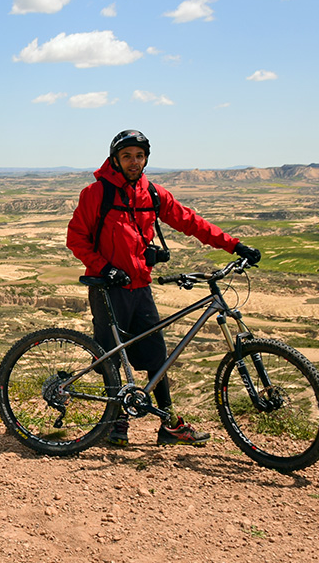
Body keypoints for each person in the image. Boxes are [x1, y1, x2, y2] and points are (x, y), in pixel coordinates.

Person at [66, 129, 260, 446]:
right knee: (111, 358)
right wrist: (107, 269)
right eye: (127, 156)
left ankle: (168, 423)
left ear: (146, 159)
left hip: (140, 287)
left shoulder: (153, 195)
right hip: (107, 288)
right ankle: (116, 423)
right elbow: (76, 239)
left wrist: (235, 246)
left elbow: (191, 222)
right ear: (115, 158)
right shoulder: (96, 194)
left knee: (158, 356)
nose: (133, 162)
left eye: (139, 156)